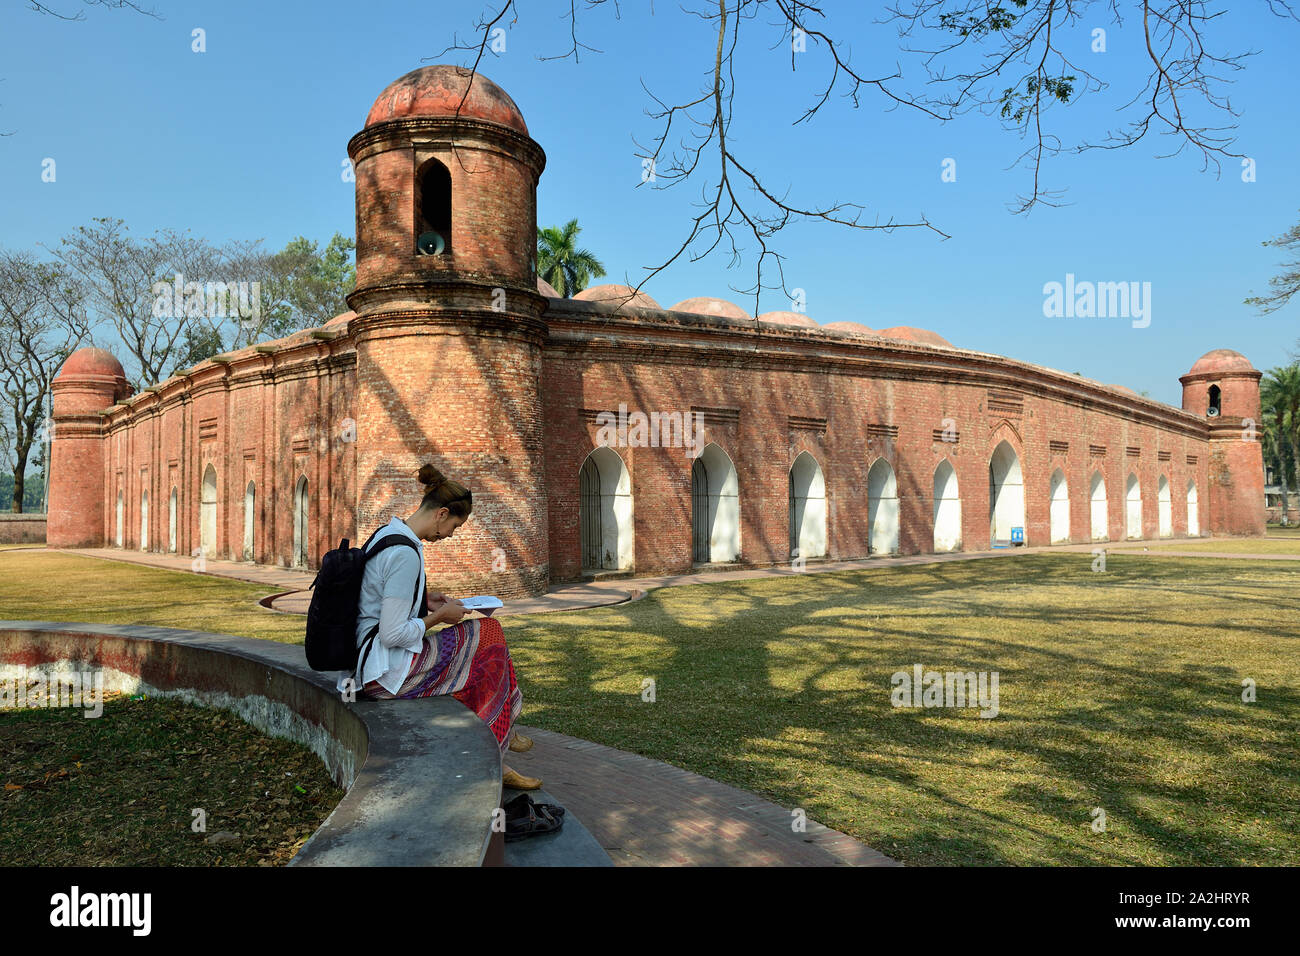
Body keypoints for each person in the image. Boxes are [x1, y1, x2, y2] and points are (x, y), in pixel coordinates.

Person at [337, 463, 540, 790]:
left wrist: (423, 601)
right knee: (489, 635)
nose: (448, 536)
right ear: (442, 514)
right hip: (385, 674)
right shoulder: (406, 555)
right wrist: (438, 617)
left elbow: (379, 598)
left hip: (367, 663)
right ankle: (497, 744)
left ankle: (497, 733)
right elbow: (392, 633)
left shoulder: (388, 533)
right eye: (455, 527)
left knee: (483, 653)